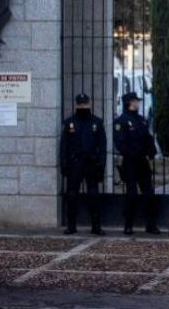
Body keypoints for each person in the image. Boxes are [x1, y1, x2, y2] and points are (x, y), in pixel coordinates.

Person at [60, 93, 107, 236]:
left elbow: (103, 147)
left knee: (93, 196)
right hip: (75, 164)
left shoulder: (97, 123)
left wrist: (101, 166)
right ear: (76, 105)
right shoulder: (69, 123)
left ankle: (96, 226)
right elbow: (64, 146)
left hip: (91, 164)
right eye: (80, 104)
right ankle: (71, 225)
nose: (82, 106)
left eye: (85, 104)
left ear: (89, 104)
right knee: (72, 195)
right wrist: (64, 164)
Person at [114, 92, 160, 235]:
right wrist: (131, 152)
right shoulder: (121, 121)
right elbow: (120, 143)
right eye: (136, 101)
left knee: (149, 193)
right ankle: (128, 225)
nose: (138, 103)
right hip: (130, 162)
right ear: (130, 102)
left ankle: (151, 224)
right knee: (131, 194)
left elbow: (148, 138)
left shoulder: (141, 120)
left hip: (142, 161)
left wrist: (151, 153)